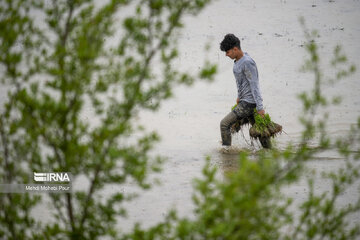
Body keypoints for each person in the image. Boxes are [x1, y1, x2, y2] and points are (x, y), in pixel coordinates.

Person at [219, 33, 271, 150]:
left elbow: (254, 84)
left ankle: (226, 153)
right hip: (245, 100)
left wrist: (260, 108)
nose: (226, 55)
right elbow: (242, 83)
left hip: (249, 103)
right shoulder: (238, 62)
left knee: (224, 124)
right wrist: (239, 96)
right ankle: (270, 153)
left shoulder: (247, 62)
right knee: (261, 132)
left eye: (227, 52)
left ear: (235, 49)